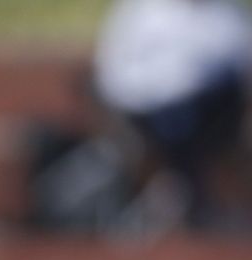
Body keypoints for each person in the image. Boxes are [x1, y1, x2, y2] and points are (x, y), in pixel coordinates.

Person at [94, 0, 252, 228]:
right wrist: (164, 89)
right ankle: (184, 193)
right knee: (176, 119)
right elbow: (113, 75)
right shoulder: (141, 10)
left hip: (214, 114)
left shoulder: (228, 14)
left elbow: (243, 71)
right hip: (148, 112)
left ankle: (186, 195)